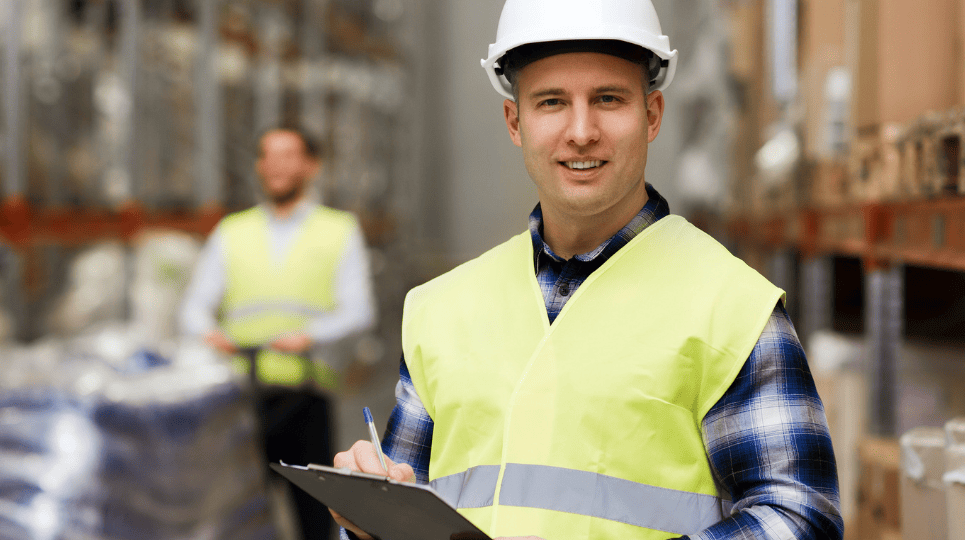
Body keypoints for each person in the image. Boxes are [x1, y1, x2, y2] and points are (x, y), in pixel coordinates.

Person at [330, 0, 844, 539]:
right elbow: (403, 518)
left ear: (652, 116)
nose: (581, 131)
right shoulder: (443, 309)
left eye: (608, 99)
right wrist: (368, 520)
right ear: (515, 122)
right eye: (551, 102)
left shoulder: (730, 308)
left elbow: (800, 519)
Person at [179, 127, 376, 540]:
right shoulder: (232, 231)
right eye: (268, 155)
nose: (276, 165)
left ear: (311, 165)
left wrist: (310, 335)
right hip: (241, 399)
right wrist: (211, 335)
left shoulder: (338, 229)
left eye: (289, 155)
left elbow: (358, 310)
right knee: (240, 515)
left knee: (313, 518)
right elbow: (194, 308)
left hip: (305, 394)